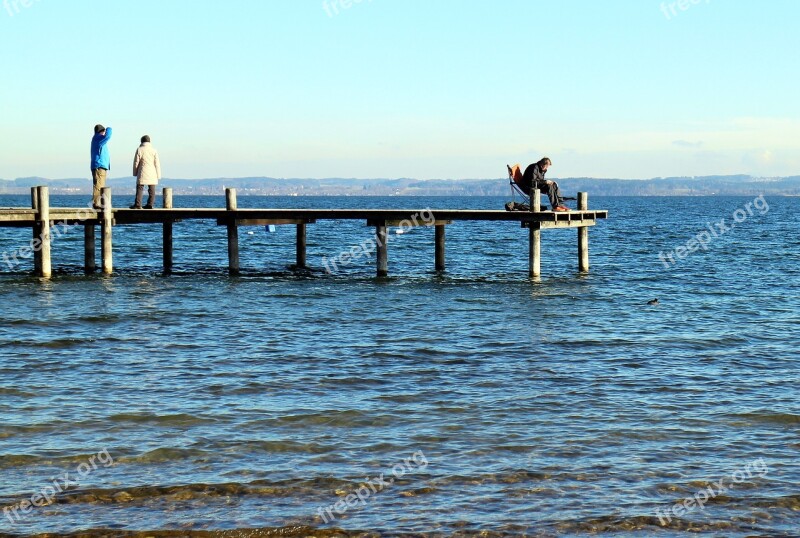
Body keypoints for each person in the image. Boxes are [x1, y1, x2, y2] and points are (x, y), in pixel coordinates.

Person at [130, 135, 161, 209]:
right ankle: (150, 204)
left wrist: (135, 173)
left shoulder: (139, 149)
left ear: (142, 141)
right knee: (152, 189)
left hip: (142, 171)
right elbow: (157, 163)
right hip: (152, 172)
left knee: (140, 188)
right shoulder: (154, 150)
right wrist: (158, 175)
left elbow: (136, 162)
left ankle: (138, 204)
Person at [90, 124, 112, 209]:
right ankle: (96, 203)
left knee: (100, 184)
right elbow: (108, 136)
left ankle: (97, 202)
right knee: (99, 185)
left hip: (99, 165)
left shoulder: (96, 139)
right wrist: (109, 128)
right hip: (99, 165)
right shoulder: (98, 138)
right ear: (101, 132)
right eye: (103, 132)